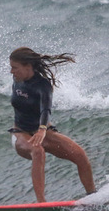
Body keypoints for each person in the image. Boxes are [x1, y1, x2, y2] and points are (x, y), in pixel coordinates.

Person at [8, 47, 96, 202]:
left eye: (15, 68)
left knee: (80, 155)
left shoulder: (43, 85)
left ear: (28, 67)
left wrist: (42, 129)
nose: (11, 72)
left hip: (43, 131)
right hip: (21, 133)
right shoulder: (17, 80)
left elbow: (46, 108)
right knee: (38, 151)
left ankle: (93, 196)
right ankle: (41, 203)